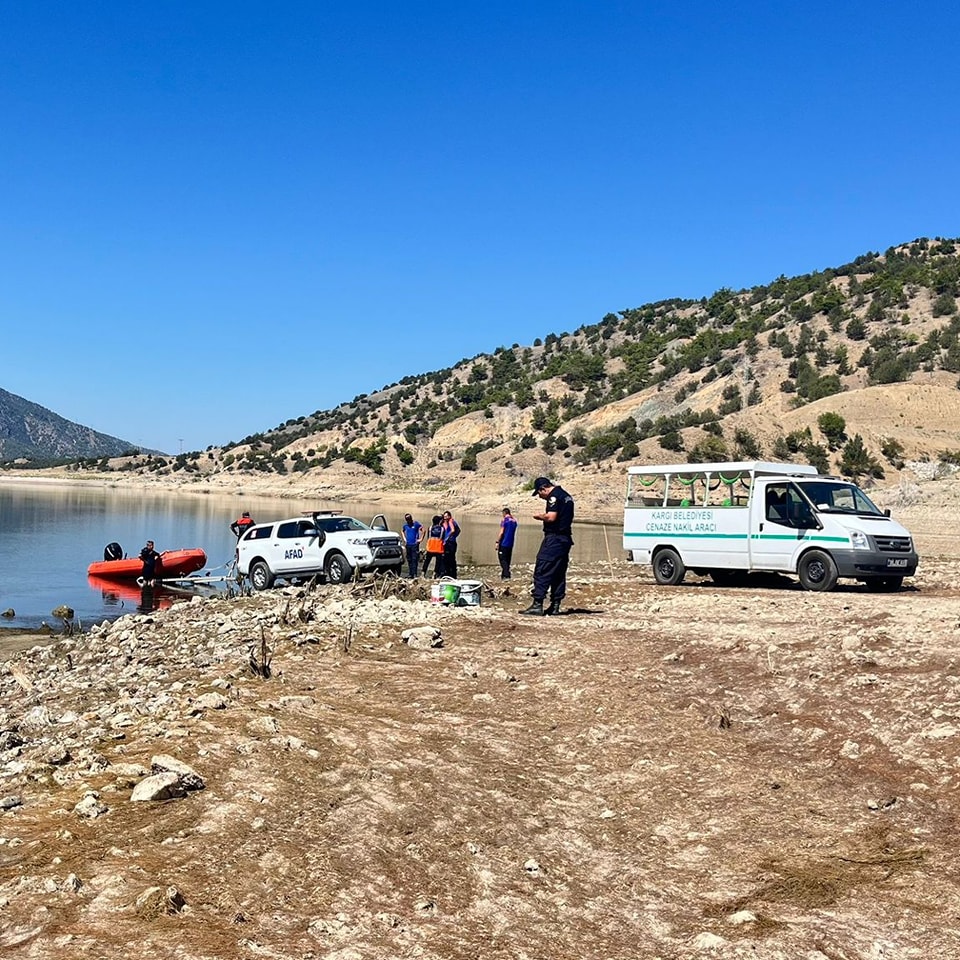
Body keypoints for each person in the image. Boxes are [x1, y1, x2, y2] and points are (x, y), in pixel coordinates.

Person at [521, 477, 574, 617]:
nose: (540, 497)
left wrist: (540, 516)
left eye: (539, 493)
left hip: (554, 539)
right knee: (558, 571)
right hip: (565, 539)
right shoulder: (566, 496)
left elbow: (551, 517)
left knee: (542, 568)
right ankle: (555, 605)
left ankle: (537, 604)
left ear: (543, 489)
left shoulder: (554, 497)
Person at [496, 507, 518, 580]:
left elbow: (502, 532)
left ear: (504, 513)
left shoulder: (504, 520)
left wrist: (497, 542)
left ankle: (507, 575)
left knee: (502, 559)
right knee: (507, 560)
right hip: (511, 544)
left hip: (504, 543)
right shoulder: (514, 521)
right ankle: (504, 576)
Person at [401, 512, 424, 577]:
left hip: (414, 544)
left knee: (414, 559)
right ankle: (410, 573)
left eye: (409, 518)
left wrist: (421, 539)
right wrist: (404, 538)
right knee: (409, 559)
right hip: (408, 544)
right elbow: (402, 531)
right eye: (407, 519)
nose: (409, 520)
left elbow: (423, 530)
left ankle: (414, 574)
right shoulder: (405, 525)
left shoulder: (416, 524)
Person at [441, 510, 461, 579]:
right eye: (444, 516)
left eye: (446, 516)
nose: (445, 517)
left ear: (449, 516)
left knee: (452, 558)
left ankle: (453, 575)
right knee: (445, 558)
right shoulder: (443, 523)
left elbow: (457, 530)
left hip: (451, 542)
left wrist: (452, 536)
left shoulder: (452, 522)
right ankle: (446, 573)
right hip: (444, 543)